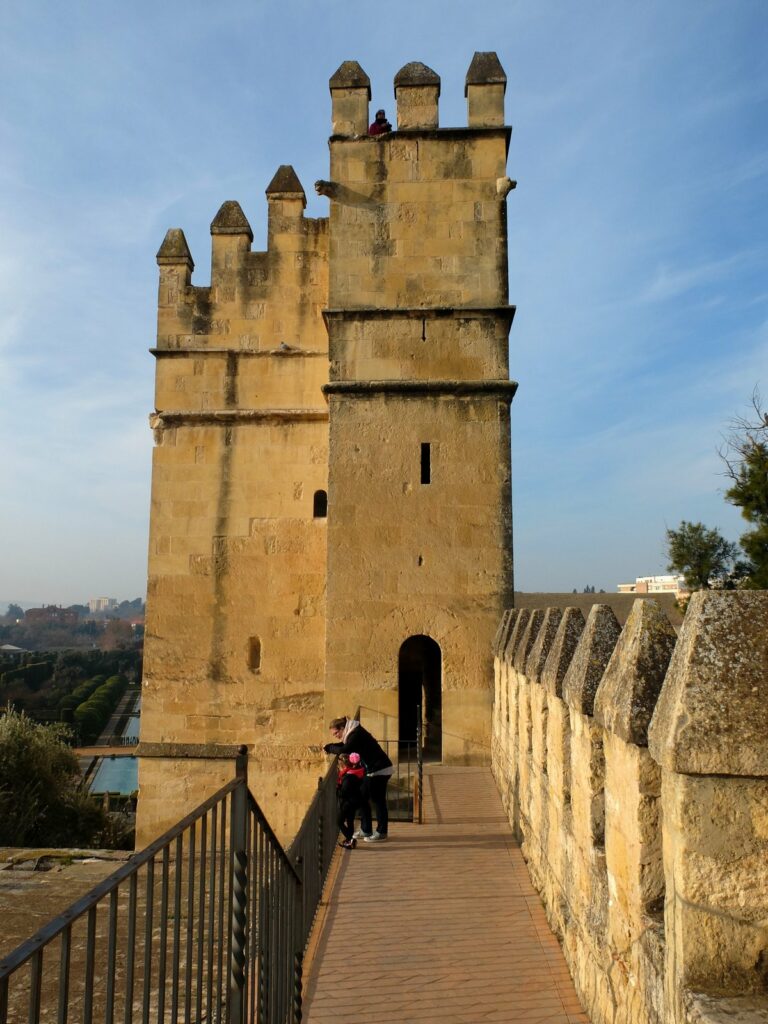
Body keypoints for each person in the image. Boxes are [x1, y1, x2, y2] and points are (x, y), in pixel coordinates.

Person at [324, 715, 394, 842]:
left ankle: (381, 832)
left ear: (342, 728)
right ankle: (366, 830)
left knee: (378, 801)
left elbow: (346, 749)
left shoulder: (355, 734)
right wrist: (331, 746)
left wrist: (330, 748)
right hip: (374, 770)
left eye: (336, 733)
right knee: (362, 797)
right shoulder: (353, 732)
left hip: (380, 770)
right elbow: (345, 745)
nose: (335, 735)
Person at [336, 752, 365, 849]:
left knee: (339, 821)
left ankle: (350, 839)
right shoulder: (356, 772)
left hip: (348, 803)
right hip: (355, 801)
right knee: (350, 820)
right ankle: (349, 841)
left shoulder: (348, 778)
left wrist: (338, 788)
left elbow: (343, 793)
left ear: (343, 765)